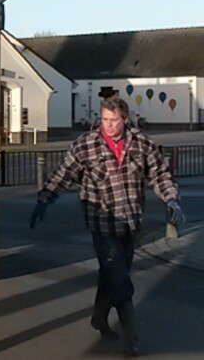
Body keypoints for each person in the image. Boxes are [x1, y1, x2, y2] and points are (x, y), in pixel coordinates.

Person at [30, 96, 185, 356]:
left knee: (112, 273)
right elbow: (63, 174)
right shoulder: (86, 146)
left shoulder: (141, 144)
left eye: (114, 120)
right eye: (104, 119)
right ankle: (131, 335)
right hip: (101, 224)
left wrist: (171, 199)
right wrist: (45, 199)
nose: (109, 125)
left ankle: (99, 317)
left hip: (130, 223)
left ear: (125, 119)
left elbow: (160, 173)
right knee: (120, 277)